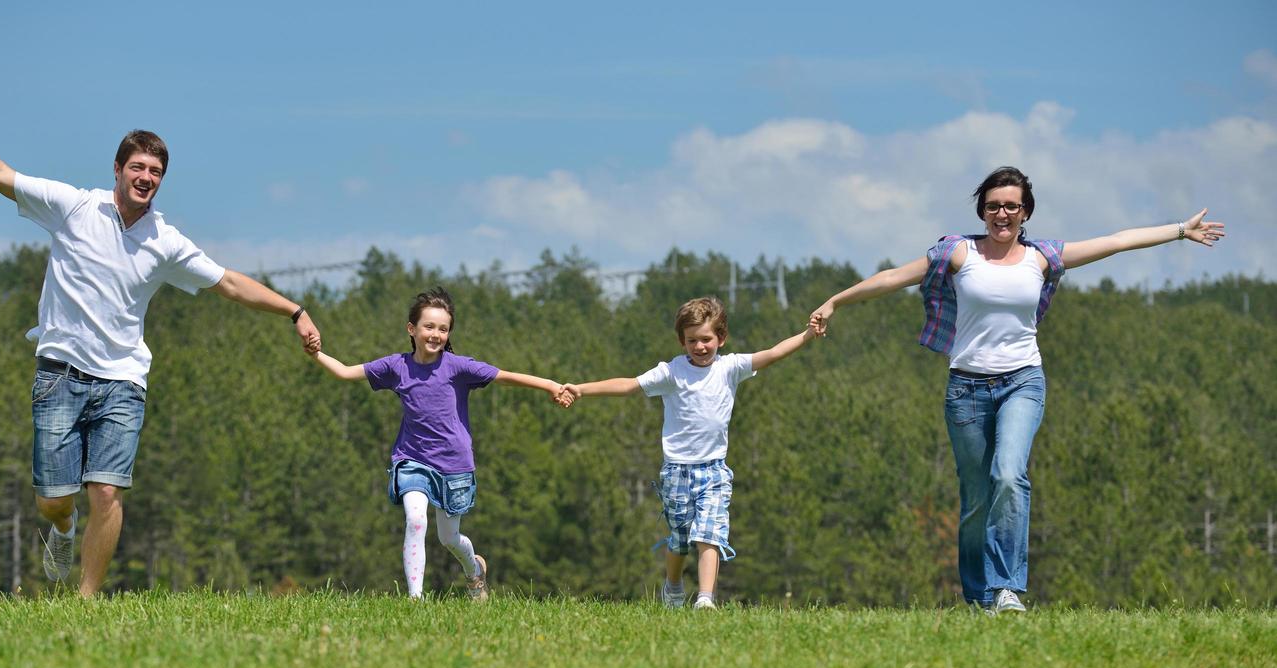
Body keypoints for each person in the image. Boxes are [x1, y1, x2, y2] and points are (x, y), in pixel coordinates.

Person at [0, 104, 323, 597]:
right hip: (60, 373)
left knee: (107, 491)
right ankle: (64, 528)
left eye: (155, 172)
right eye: (137, 167)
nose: (146, 177)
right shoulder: (73, 206)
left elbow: (229, 283)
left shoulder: (165, 241)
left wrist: (294, 310)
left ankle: (86, 600)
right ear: (117, 170)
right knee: (54, 499)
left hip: (123, 380)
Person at [808, 166, 1224, 613]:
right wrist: (835, 300)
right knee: (975, 499)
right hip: (965, 388)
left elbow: (1117, 241)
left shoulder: (1042, 257)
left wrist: (1180, 231)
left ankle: (1007, 587)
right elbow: (893, 277)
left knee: (1009, 475)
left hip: (1022, 381)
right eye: (993, 206)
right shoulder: (958, 254)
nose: (1002, 213)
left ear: (1025, 212)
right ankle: (978, 597)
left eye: (1011, 206)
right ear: (982, 211)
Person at [307, 286, 570, 601]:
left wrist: (551, 386)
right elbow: (346, 372)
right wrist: (316, 354)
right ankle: (415, 600)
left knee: (449, 538)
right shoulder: (396, 366)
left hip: (454, 464)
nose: (435, 334)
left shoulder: (457, 367)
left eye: (443, 329)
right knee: (416, 520)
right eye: (429, 326)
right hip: (412, 459)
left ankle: (474, 571)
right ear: (412, 329)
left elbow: (506, 376)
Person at [563, 297, 822, 609]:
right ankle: (672, 585)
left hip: (714, 470)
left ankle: (705, 598)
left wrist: (807, 335)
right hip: (676, 471)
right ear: (681, 341)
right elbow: (629, 385)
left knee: (709, 533)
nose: (700, 347)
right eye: (692, 341)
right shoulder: (671, 372)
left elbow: (773, 354)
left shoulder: (731, 367)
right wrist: (581, 389)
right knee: (680, 540)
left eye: (706, 339)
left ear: (721, 338)